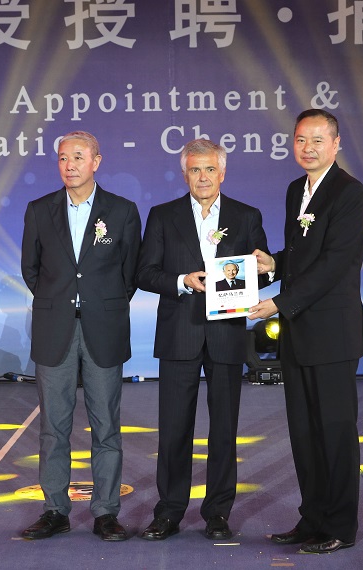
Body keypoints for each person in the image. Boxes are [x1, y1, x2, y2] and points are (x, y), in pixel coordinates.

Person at [250, 109, 363, 555]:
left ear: (336, 145)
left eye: (318, 140)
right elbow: (304, 254)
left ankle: (340, 525)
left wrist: (279, 303)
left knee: (335, 432)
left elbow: (335, 263)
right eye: (301, 139)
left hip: (332, 333)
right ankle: (312, 518)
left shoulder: (349, 192)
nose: (308, 148)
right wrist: (275, 264)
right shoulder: (294, 190)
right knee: (303, 433)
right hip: (299, 332)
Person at [136, 139, 269, 541]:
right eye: (195, 170)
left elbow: (262, 271)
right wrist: (182, 281)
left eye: (210, 169)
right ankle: (169, 512)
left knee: (224, 430)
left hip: (227, 334)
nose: (203, 177)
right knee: (174, 429)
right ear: (185, 174)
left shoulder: (247, 216)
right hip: (180, 333)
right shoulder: (163, 216)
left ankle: (218, 513)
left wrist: (261, 274)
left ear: (222, 173)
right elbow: (145, 273)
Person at [20, 131, 141, 542]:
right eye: (62, 158)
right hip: (55, 328)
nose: (69, 165)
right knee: (53, 427)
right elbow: (31, 269)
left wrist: (97, 303)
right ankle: (55, 510)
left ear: (96, 162)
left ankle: (106, 512)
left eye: (77, 156)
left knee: (106, 426)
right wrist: (59, 301)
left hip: (103, 329)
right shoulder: (39, 210)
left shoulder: (122, 211)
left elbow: (130, 273)